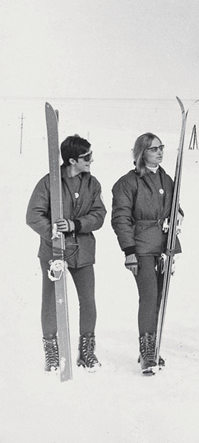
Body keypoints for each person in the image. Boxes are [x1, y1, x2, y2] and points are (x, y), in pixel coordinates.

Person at [27, 135, 106, 372]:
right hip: (54, 252)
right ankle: (52, 352)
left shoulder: (92, 184)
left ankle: (87, 351)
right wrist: (52, 230)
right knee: (51, 301)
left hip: (82, 252)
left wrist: (75, 225)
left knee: (88, 301)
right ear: (72, 160)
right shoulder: (49, 182)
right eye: (86, 157)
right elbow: (33, 216)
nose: (91, 160)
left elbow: (99, 215)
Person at [111, 132, 183, 375]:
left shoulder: (168, 179)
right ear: (142, 153)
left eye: (161, 147)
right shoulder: (128, 182)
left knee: (160, 297)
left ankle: (153, 345)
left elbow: (175, 207)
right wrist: (129, 251)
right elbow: (120, 219)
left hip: (164, 245)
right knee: (149, 296)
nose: (160, 152)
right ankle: (147, 350)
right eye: (154, 149)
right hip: (141, 246)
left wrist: (177, 217)